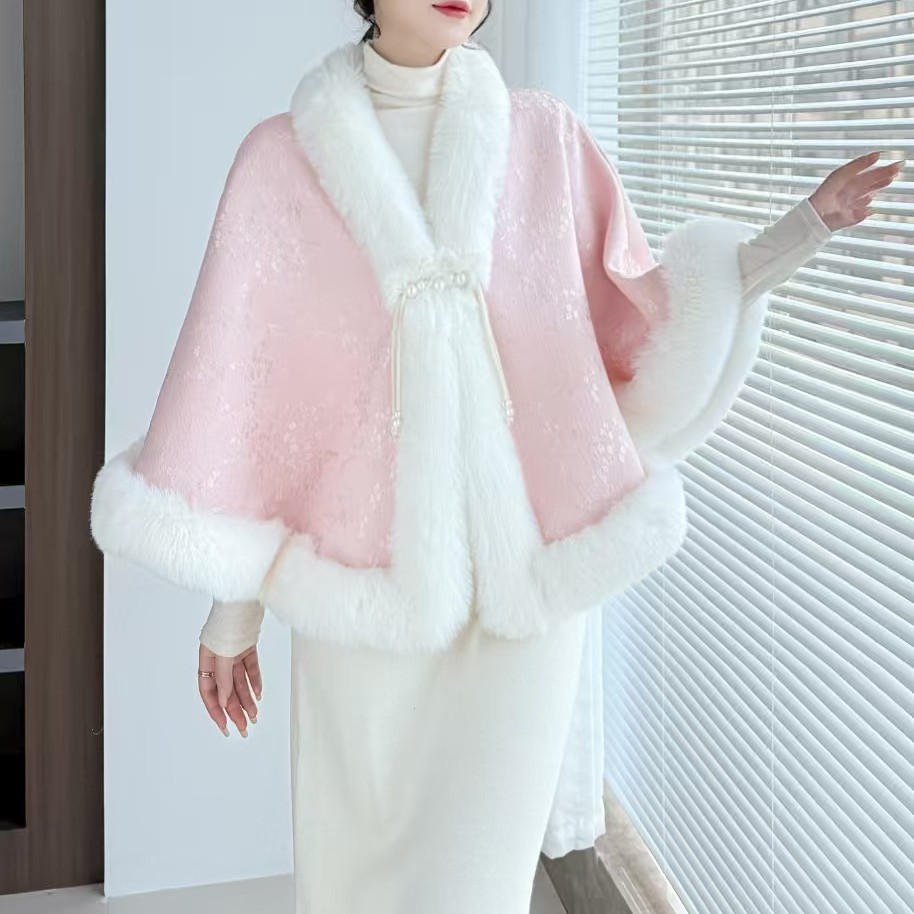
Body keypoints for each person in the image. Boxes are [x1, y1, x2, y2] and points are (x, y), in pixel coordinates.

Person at [88, 2, 903, 911]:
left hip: (523, 609)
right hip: (363, 604)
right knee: (352, 879)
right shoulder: (280, 164)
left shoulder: (543, 140)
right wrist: (232, 616)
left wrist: (804, 228)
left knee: (481, 888)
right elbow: (259, 409)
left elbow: (648, 318)